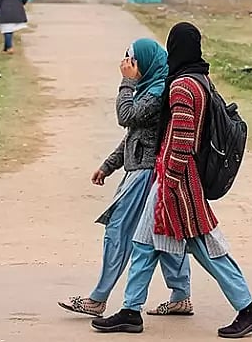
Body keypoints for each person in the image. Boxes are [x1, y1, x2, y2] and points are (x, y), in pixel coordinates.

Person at [93, 23, 252, 338]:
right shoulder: (202, 79)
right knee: (144, 244)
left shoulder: (182, 86)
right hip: (172, 180)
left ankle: (248, 308)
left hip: (177, 184)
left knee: (207, 248)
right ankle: (131, 311)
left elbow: (183, 139)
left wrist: (169, 183)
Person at [59, 38, 192, 319]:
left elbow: (126, 116)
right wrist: (109, 165)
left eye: (133, 60)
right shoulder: (152, 88)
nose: (128, 65)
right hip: (140, 171)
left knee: (119, 232)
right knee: (162, 235)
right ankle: (181, 296)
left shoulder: (156, 92)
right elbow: (134, 135)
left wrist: (126, 83)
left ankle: (98, 298)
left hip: (145, 174)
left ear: (145, 61)